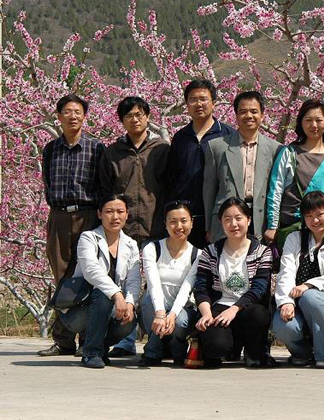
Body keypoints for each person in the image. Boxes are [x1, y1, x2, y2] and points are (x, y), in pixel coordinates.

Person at [99, 96, 170, 358]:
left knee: (156, 284)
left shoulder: (162, 149)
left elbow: (171, 186)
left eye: (140, 114)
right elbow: (105, 189)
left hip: (155, 226)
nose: (135, 119)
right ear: (121, 120)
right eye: (129, 115)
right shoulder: (113, 152)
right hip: (124, 230)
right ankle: (125, 340)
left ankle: (157, 340)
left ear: (148, 117)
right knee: (123, 282)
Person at [39, 94, 105, 357]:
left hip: (88, 215)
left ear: (85, 116)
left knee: (89, 274)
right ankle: (63, 340)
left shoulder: (96, 148)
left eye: (77, 112)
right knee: (62, 278)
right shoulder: (50, 149)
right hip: (58, 217)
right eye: (67, 111)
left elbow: (102, 183)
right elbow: (47, 182)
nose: (73, 116)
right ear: (59, 116)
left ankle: (87, 338)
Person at [59, 195, 141, 368]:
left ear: (127, 214)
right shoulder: (88, 238)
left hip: (110, 311)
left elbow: (134, 279)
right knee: (103, 295)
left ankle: (99, 346)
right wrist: (117, 294)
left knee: (131, 321)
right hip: (79, 311)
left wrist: (129, 303)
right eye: (109, 211)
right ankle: (91, 353)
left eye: (120, 211)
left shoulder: (131, 244)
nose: (115, 217)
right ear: (99, 214)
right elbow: (91, 271)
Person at [272, 191, 324, 368]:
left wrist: (308, 285)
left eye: (320, 214)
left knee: (311, 297)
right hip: (295, 301)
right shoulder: (294, 238)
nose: (315, 220)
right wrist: (286, 302)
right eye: (309, 216)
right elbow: (286, 272)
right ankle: (303, 354)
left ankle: (323, 356)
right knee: (284, 327)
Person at [194, 197, 273, 368]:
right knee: (216, 348)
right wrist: (206, 314)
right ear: (221, 223)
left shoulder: (262, 252)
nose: (233, 224)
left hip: (247, 308)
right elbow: (201, 288)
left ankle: (253, 351)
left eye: (238, 218)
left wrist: (234, 309)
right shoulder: (210, 252)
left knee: (259, 315)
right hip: (219, 306)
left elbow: (259, 288)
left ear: (248, 220)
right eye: (227, 219)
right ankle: (231, 347)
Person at [265, 99, 324, 246]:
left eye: (319, 120)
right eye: (308, 120)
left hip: (322, 229)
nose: (314, 125)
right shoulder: (289, 153)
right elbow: (276, 189)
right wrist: (272, 225)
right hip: (291, 226)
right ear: (301, 122)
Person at [204, 91, 281, 243]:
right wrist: (209, 226)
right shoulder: (217, 147)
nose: (248, 116)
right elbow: (209, 190)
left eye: (254, 111)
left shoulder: (275, 149)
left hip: (260, 220)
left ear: (262, 115)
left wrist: (274, 225)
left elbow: (278, 191)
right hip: (227, 218)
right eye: (243, 111)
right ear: (236, 115)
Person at [167, 79, 235, 248]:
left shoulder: (228, 136)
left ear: (214, 103)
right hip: (185, 217)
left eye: (203, 99)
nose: (198, 104)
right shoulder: (180, 137)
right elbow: (173, 176)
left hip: (217, 215)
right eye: (193, 99)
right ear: (187, 105)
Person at [139, 201, 200, 367]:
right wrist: (160, 313)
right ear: (165, 224)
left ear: (192, 223)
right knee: (148, 304)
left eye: (183, 221)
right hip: (155, 306)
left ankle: (175, 347)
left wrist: (172, 314)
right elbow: (153, 284)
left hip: (182, 308)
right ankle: (153, 352)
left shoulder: (198, 255)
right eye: (173, 221)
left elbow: (187, 288)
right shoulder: (152, 248)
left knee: (180, 321)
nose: (178, 226)